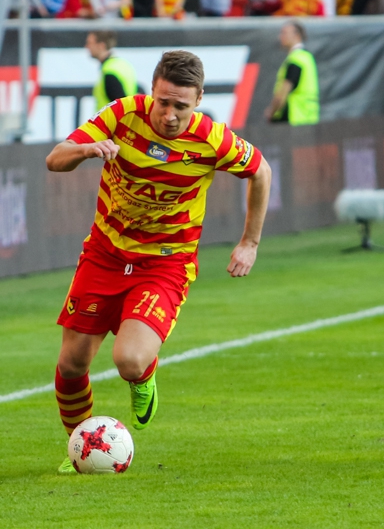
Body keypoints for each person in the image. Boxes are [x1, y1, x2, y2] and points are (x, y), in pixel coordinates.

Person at [47, 50, 272, 474]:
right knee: (71, 364)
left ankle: (144, 375)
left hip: (164, 263)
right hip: (104, 255)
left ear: (199, 100)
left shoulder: (212, 139)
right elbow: (55, 158)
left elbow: (261, 172)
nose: (169, 114)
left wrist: (250, 242)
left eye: (180, 106)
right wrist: (87, 150)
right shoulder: (121, 114)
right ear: (152, 90)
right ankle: (81, 447)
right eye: (163, 102)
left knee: (128, 360)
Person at [265, 21, 319, 125]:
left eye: (284, 33)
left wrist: (272, 112)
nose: (280, 37)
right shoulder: (307, 57)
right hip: (308, 117)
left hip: (293, 117)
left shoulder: (296, 59)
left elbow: (283, 93)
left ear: (296, 35)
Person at [85, 30, 139, 109]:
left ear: (101, 46)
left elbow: (121, 107)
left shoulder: (109, 72)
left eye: (90, 43)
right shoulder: (122, 65)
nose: (86, 46)